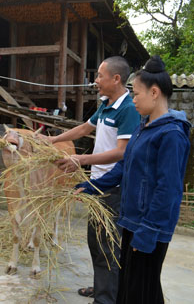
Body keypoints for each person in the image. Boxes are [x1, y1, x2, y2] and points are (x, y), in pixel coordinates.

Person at [75, 56, 191, 304]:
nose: (133, 99)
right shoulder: (143, 126)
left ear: (155, 92)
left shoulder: (172, 134)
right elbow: (124, 167)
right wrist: (91, 187)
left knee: (142, 290)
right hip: (131, 221)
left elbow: (167, 191)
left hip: (149, 228)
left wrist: (147, 233)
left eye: (136, 94)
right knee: (131, 288)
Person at [40, 56, 141, 304]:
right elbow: (85, 128)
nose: (95, 81)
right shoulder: (106, 104)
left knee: (108, 246)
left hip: (113, 189)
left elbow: (122, 152)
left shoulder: (128, 109)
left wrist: (81, 161)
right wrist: (52, 140)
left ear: (116, 79)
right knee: (95, 243)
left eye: (99, 75)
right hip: (96, 185)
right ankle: (101, 288)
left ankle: (106, 299)